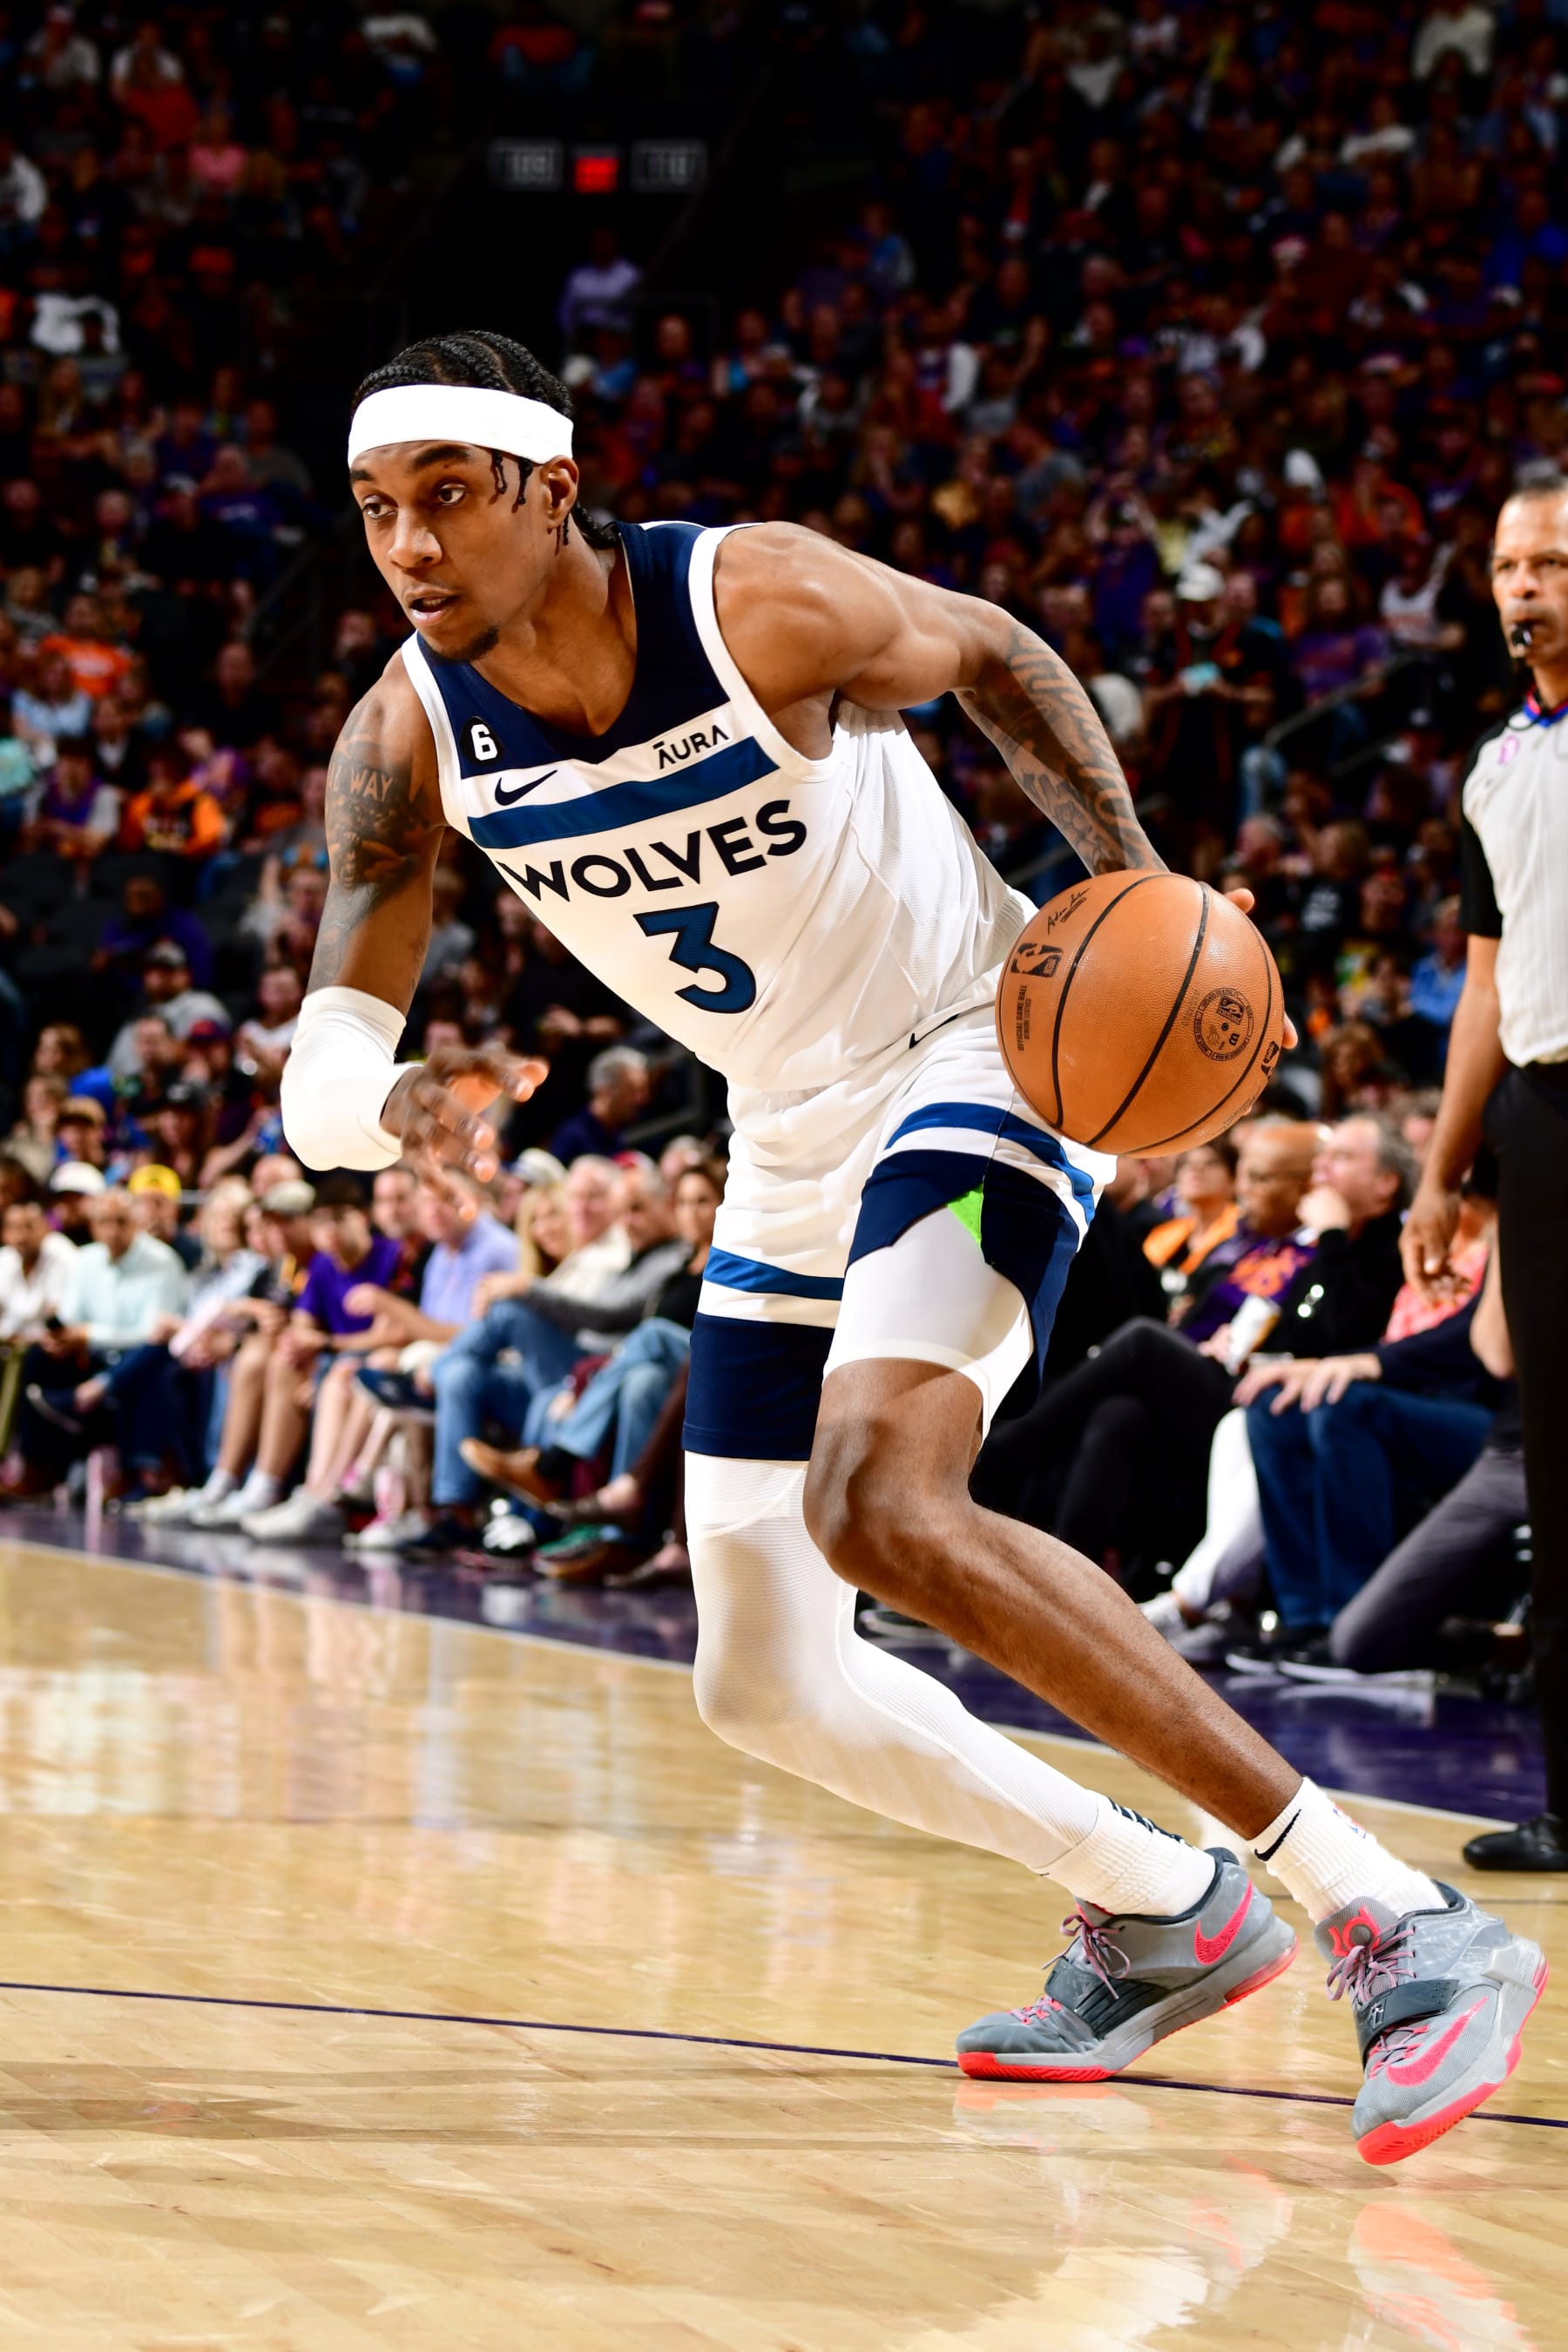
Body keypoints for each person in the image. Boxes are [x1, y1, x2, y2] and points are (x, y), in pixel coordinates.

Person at [278, 330, 1542, 2163]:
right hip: (787, 1138)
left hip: (976, 1053)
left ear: (553, 487)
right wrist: (390, 1109)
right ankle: (1162, 1902)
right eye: (380, 511)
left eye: (450, 499)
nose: (409, 546)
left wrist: (1129, 884)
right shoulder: (405, 733)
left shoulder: (753, 599)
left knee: (883, 1497)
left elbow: (1003, 656)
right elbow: (334, 1057)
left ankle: (1397, 1918)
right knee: (764, 1676)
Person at [1404, 476, 1568, 1874]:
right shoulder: (1497, 767)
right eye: (1513, 566)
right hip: (1541, 1112)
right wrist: (1441, 1174)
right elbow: (1484, 987)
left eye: (1554, 563)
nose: (1526, 587)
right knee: (1555, 1463)